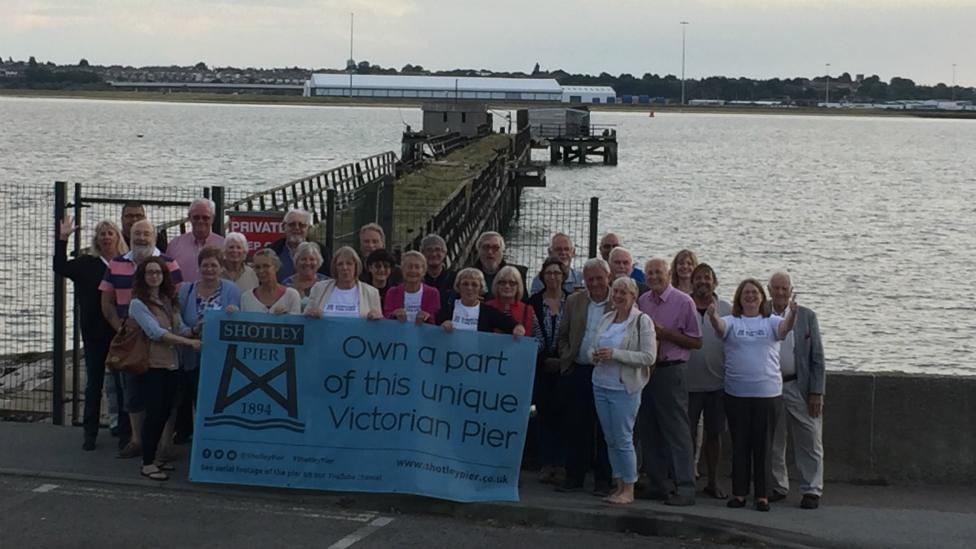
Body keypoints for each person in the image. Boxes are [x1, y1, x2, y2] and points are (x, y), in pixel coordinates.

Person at [706, 278, 797, 512]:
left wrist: (793, 314)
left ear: (761, 297)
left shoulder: (771, 322)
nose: (750, 296)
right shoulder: (732, 322)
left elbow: (784, 329)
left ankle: (762, 495)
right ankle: (739, 493)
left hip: (768, 394)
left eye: (754, 292)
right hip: (737, 393)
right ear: (739, 297)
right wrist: (713, 315)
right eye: (746, 293)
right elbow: (719, 328)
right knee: (740, 445)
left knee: (763, 446)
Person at [100, 219, 182, 458]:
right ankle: (137, 440)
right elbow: (106, 302)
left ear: (154, 237)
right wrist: (121, 329)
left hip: (163, 341)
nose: (142, 238)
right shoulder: (116, 264)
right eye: (137, 234)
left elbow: (177, 298)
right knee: (133, 393)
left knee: (167, 395)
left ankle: (165, 443)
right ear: (129, 236)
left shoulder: (169, 263)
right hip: (133, 341)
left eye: (146, 234)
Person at [54, 216, 126, 451]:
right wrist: (63, 239)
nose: (106, 237)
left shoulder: (126, 264)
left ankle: (125, 432)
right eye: (102, 233)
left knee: (122, 383)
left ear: (117, 237)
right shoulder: (86, 264)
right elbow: (60, 267)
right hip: (94, 333)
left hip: (120, 332)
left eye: (110, 233)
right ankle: (90, 433)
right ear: (97, 239)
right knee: (94, 384)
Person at [635, 258, 702, 506]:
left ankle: (685, 488)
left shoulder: (684, 302)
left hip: (671, 370)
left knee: (676, 431)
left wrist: (666, 334)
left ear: (669, 274)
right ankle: (657, 484)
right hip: (647, 370)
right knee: (648, 428)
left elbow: (696, 341)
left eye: (658, 272)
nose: (653, 277)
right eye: (650, 273)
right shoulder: (642, 301)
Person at [127, 257, 200, 481]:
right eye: (149, 272)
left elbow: (180, 327)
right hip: (152, 365)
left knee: (167, 412)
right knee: (155, 414)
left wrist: (197, 330)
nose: (154, 276)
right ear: (142, 276)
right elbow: (155, 332)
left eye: (158, 272)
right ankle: (147, 462)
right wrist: (189, 343)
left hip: (172, 365)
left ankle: (157, 458)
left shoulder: (168, 300)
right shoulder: (138, 304)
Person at [589, 277, 656, 504]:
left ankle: (629, 487)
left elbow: (648, 356)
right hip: (601, 384)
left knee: (624, 438)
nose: (618, 296)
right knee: (610, 438)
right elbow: (592, 346)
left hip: (624, 387)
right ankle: (617, 486)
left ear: (633, 297)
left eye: (623, 293)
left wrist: (615, 354)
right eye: (615, 292)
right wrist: (594, 355)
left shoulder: (642, 321)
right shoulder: (607, 318)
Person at [554, 258, 613, 495]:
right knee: (576, 426)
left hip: (607, 372)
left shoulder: (618, 300)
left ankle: (603, 479)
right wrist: (567, 355)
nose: (595, 283)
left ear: (608, 277)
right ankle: (574, 476)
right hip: (578, 369)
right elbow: (564, 333)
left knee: (605, 427)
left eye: (599, 278)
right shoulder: (574, 300)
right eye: (591, 279)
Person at [767, 272, 825, 510]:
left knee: (809, 438)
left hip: (798, 385)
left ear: (791, 291)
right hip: (770, 385)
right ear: (769, 290)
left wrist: (816, 392)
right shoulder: (761, 313)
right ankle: (778, 486)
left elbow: (817, 357)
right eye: (776, 288)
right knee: (773, 439)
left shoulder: (807, 316)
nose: (780, 292)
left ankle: (812, 489)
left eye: (785, 288)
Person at [175, 246, 241, 444]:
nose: (209, 269)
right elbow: (177, 319)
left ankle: (212, 436)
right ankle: (187, 434)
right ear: (198, 268)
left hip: (218, 356)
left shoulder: (231, 289)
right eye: (205, 265)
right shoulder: (187, 289)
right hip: (191, 351)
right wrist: (192, 331)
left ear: (221, 268)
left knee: (214, 397)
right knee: (190, 394)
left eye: (214, 265)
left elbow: (236, 317)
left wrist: (231, 312)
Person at [686, 263, 732, 499]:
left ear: (715, 282)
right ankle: (685, 481)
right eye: (698, 278)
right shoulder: (683, 304)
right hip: (688, 384)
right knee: (686, 433)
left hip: (717, 384)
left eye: (707, 278)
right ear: (691, 281)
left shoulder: (726, 308)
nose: (703, 282)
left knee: (715, 434)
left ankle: (713, 481)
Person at [528, 258, 570, 484]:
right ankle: (546, 462)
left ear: (563, 276)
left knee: (564, 414)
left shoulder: (572, 301)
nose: (553, 277)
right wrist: (545, 358)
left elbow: (575, 332)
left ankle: (561, 463)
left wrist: (562, 359)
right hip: (542, 365)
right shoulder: (534, 301)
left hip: (565, 366)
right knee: (544, 413)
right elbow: (533, 332)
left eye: (557, 273)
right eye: (549, 273)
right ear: (542, 276)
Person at [437, 268, 526, 336]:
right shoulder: (447, 310)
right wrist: (442, 326)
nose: (469, 288)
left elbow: (511, 324)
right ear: (458, 287)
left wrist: (518, 328)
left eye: (474, 285)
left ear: (481, 289)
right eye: (465, 284)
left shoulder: (488, 312)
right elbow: (434, 329)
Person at [306, 246, 383, 319]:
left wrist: (375, 316)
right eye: (340, 264)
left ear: (356, 266)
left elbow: (379, 326)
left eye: (349, 263)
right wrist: (311, 313)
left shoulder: (372, 293)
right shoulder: (319, 288)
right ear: (335, 267)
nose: (345, 268)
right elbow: (305, 317)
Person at [165, 198, 225, 282]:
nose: (201, 221)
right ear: (189, 217)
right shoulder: (174, 245)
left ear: (212, 219)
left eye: (205, 218)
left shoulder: (223, 245)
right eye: (196, 217)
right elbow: (167, 274)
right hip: (182, 294)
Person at [267, 209, 330, 282]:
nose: (296, 228)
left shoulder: (321, 250)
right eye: (292, 224)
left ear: (308, 228)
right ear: (283, 227)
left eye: (301, 225)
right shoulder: (273, 250)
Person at [236, 249, 302, 315]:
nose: (261, 271)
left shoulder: (291, 295)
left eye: (266, 266)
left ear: (276, 267)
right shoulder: (246, 298)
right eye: (257, 267)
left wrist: (286, 317)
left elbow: (296, 323)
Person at [384, 251, 440, 324]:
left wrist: (427, 317)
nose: (413, 270)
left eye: (417, 267)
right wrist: (394, 314)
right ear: (402, 269)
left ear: (424, 271)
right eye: (409, 267)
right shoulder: (392, 292)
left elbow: (436, 320)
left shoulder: (432, 293)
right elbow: (386, 317)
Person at [470, 231, 528, 300]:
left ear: (502, 251)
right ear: (478, 250)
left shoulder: (518, 274)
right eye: (486, 247)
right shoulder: (465, 275)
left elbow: (523, 301)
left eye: (495, 247)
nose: (490, 252)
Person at [485, 266, 534, 334]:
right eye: (503, 282)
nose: (507, 286)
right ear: (497, 285)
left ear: (518, 286)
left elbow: (528, 337)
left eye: (512, 283)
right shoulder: (486, 307)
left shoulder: (527, 310)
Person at [282, 241, 328, 311]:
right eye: (303, 259)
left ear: (319, 262)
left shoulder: (327, 283)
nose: (308, 263)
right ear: (296, 262)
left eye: (312, 259)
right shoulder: (286, 284)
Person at [421, 233, 457, 310]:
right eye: (429, 250)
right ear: (422, 253)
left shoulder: (455, 278)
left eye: (438, 249)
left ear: (444, 253)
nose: (434, 254)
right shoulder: (417, 280)